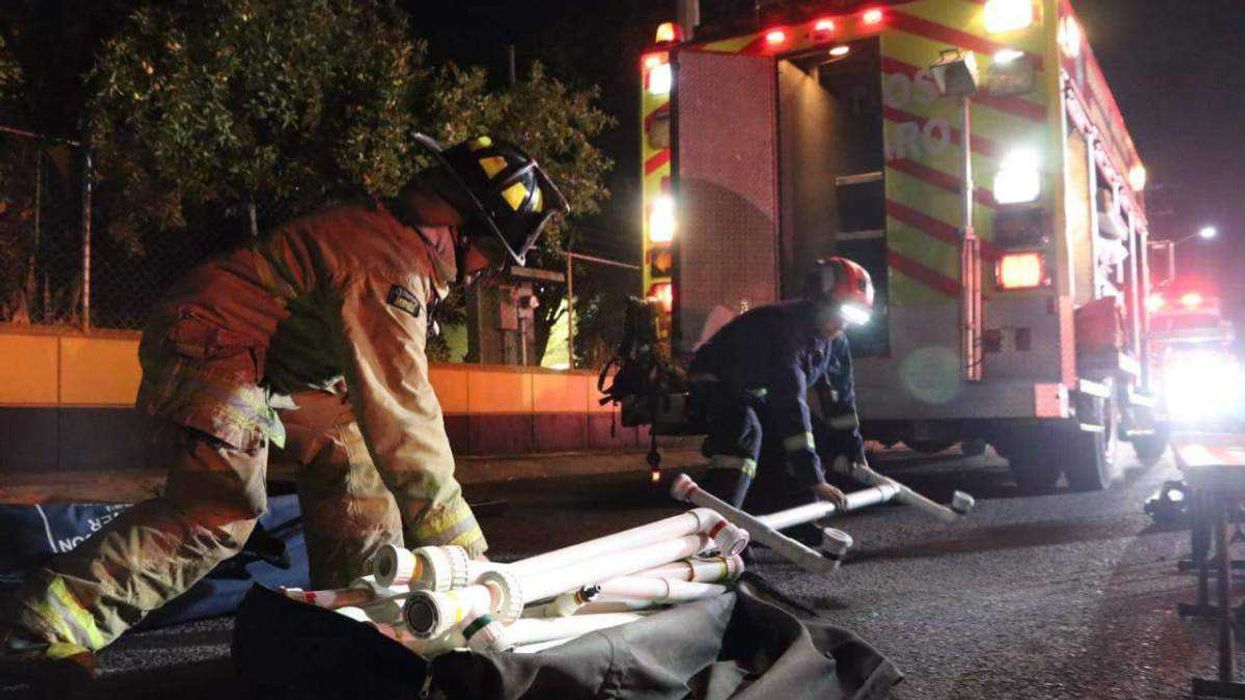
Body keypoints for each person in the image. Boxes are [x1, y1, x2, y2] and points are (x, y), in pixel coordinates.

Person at [0, 134, 568, 678]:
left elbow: (380, 418)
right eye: (488, 252)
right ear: (452, 224)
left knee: (354, 457)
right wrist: (466, 549)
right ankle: (44, 623)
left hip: (264, 367)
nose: (482, 270)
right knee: (220, 514)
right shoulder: (388, 267)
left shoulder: (387, 243)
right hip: (214, 348)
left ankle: (358, 629)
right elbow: (404, 414)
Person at [688, 257, 875, 511]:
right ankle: (716, 529)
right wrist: (814, 480)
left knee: (814, 437)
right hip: (714, 381)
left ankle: (794, 522)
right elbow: (790, 404)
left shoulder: (835, 342)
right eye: (838, 314)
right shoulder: (787, 332)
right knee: (746, 433)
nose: (842, 325)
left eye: (850, 319)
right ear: (818, 302)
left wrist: (854, 454)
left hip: (755, 392)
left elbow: (841, 402)